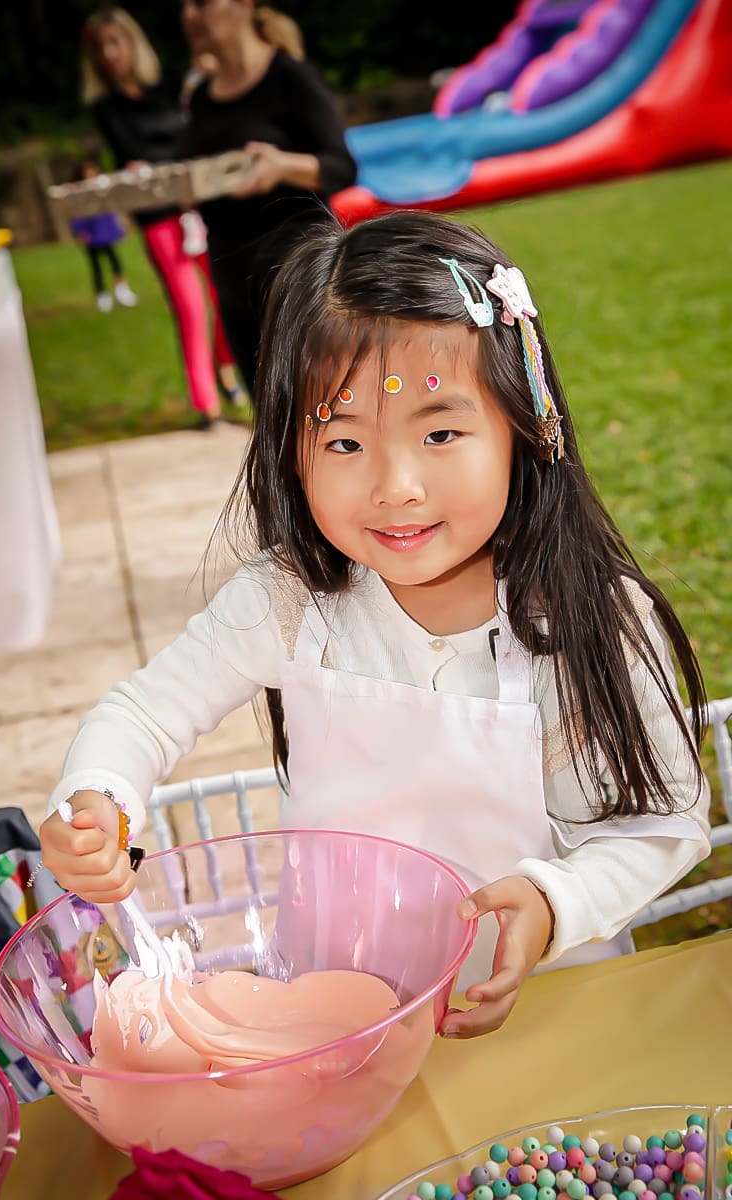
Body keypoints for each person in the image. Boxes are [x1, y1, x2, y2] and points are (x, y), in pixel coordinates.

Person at [39, 212, 710, 1039]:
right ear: (289, 452)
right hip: (334, 1025)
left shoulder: (583, 619)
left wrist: (554, 899)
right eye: (346, 443)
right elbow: (143, 713)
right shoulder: (288, 599)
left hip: (548, 1016)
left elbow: (662, 823)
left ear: (525, 425)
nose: (395, 485)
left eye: (439, 434)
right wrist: (97, 799)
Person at [177, 0, 358, 391]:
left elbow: (342, 166)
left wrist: (281, 167)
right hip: (234, 280)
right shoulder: (203, 98)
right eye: (185, 6)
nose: (191, 15)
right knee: (269, 425)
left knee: (322, 408)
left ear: (244, 4)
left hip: (298, 275)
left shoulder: (290, 78)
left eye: (202, 3)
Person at [81, 6, 240, 426]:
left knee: (223, 296)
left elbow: (193, 136)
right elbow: (137, 153)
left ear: (132, 42)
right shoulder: (107, 107)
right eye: (101, 49)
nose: (110, 54)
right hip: (158, 217)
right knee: (190, 306)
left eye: (115, 42)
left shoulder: (172, 86)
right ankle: (205, 402)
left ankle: (228, 373)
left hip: (201, 209)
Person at [70, 158, 139, 313]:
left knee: (115, 261)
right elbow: (77, 215)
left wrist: (119, 229)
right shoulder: (79, 194)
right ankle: (102, 295)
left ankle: (122, 290)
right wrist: (81, 233)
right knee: (96, 266)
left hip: (105, 234)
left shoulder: (102, 189)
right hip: (91, 235)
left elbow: (112, 211)